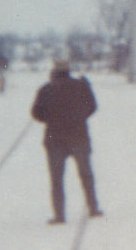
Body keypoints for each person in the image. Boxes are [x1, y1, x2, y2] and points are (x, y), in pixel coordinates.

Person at [31, 60, 103, 224]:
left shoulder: (46, 89)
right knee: (86, 175)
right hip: (79, 137)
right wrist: (79, 117)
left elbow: (36, 113)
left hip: (54, 139)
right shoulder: (81, 86)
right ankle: (93, 208)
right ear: (68, 71)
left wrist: (51, 119)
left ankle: (59, 215)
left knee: (57, 179)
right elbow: (92, 107)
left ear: (54, 72)